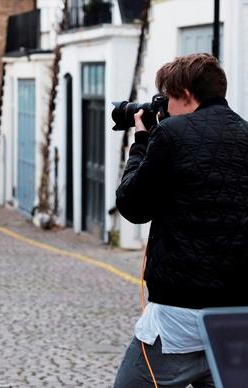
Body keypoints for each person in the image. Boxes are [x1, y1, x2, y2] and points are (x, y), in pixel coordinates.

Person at [114, 53, 248, 387]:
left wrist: (142, 141)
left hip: (178, 319)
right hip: (236, 316)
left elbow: (133, 206)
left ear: (186, 94)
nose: (165, 107)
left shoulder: (171, 134)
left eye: (168, 98)